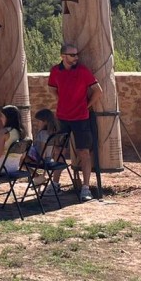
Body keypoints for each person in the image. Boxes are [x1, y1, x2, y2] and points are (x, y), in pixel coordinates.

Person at [49, 42, 100, 201]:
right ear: (63, 56)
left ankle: (85, 188)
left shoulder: (83, 71)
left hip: (81, 118)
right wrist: (61, 101)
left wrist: (86, 106)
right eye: (72, 55)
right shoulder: (55, 71)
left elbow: (98, 91)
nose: (76, 57)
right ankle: (55, 185)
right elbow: (51, 88)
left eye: (77, 54)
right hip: (62, 117)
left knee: (84, 152)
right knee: (58, 150)